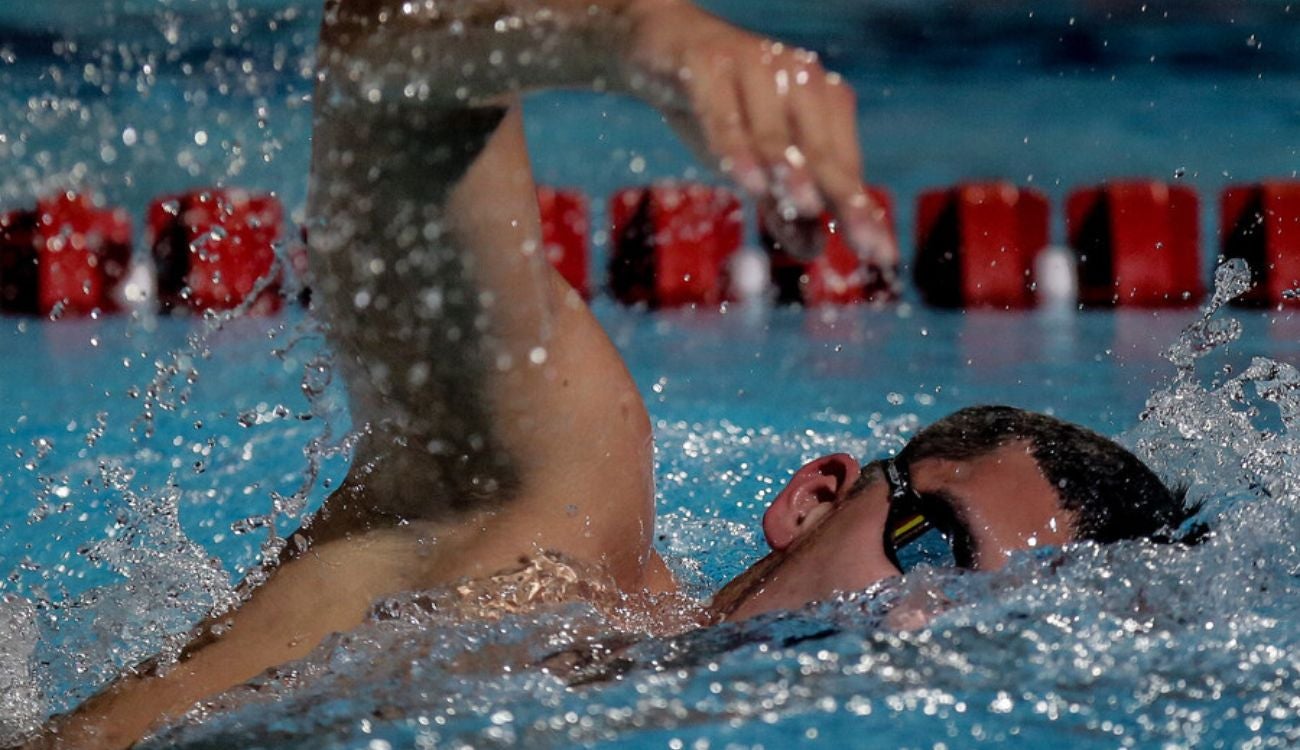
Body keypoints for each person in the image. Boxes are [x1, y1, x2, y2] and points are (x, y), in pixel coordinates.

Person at [20, 0, 1193, 747]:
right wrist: (641, 35)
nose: (924, 614)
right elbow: (381, 51)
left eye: (1002, 626)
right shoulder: (557, 522)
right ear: (817, 497)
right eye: (934, 548)